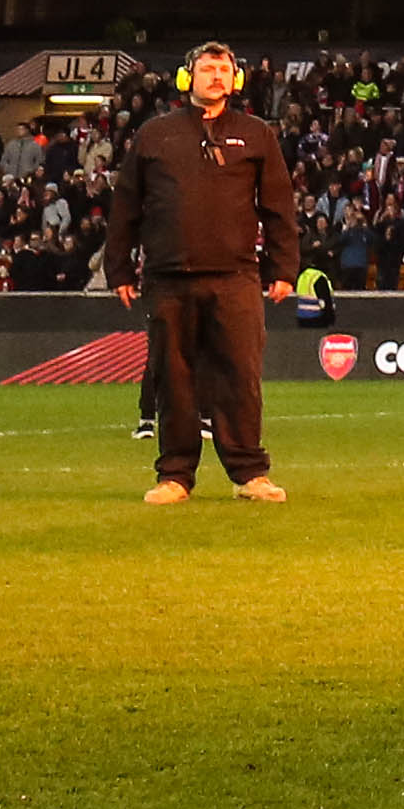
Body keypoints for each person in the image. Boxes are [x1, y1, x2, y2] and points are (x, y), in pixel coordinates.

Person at [106, 41, 297, 506]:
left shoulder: (256, 134)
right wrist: (118, 268)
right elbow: (126, 205)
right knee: (172, 379)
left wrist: (284, 268)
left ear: (236, 79)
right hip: (168, 278)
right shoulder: (154, 134)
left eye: (223, 69)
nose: (215, 75)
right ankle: (175, 476)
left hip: (236, 277)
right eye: (206, 68)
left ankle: (249, 473)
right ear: (187, 78)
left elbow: (278, 206)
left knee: (241, 377)